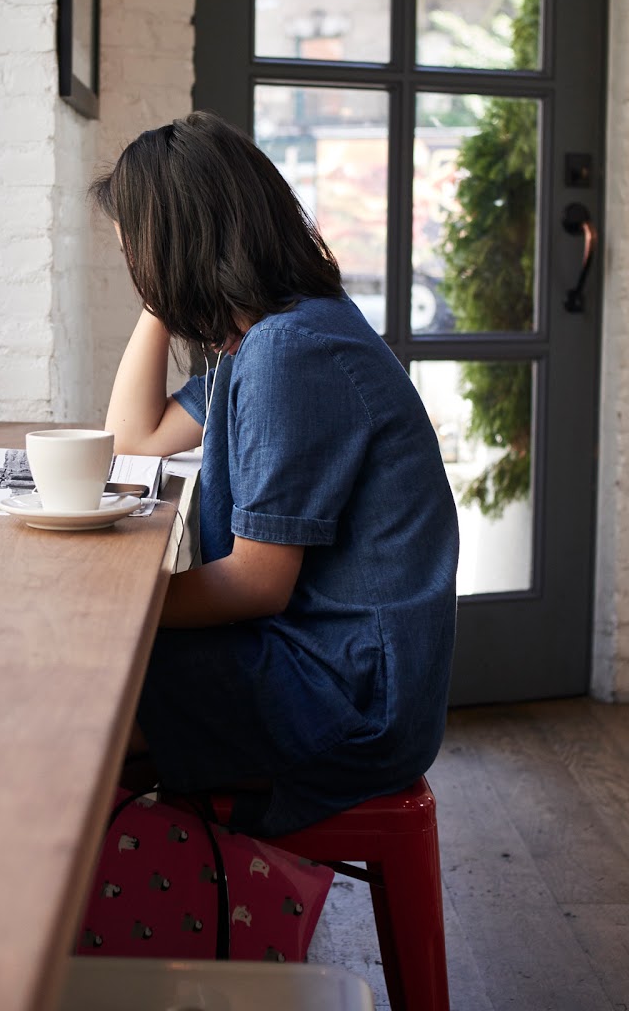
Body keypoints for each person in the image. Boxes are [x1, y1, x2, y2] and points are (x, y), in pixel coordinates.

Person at [95, 110, 458, 837]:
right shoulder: (266, 336)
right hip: (323, 658)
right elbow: (135, 438)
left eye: (138, 250)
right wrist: (159, 295)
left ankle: (103, 923)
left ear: (177, 242)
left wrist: (101, 614)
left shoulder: (292, 351)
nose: (135, 265)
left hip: (346, 693)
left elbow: (257, 585)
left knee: (83, 697)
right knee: (94, 694)